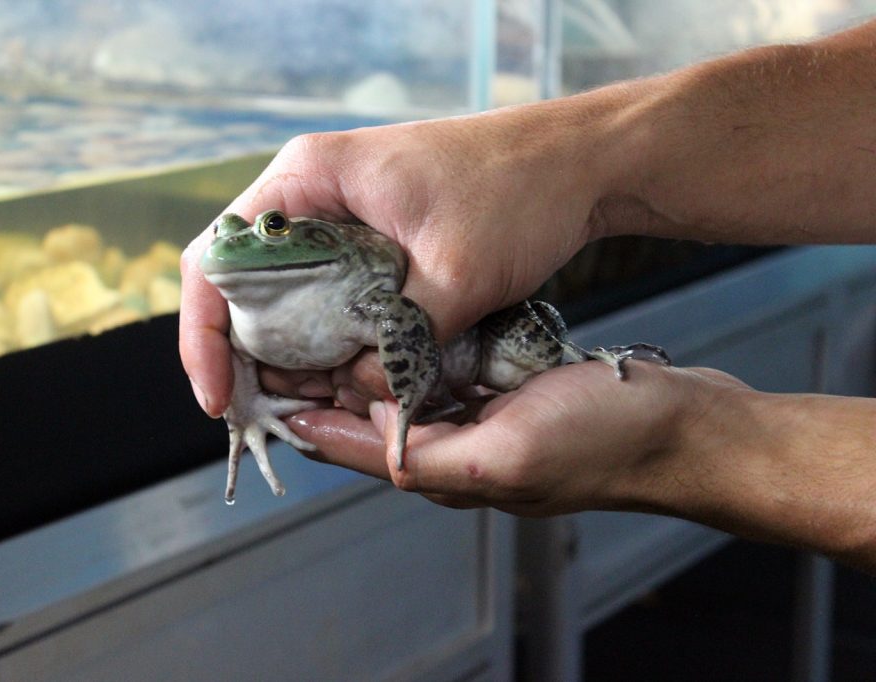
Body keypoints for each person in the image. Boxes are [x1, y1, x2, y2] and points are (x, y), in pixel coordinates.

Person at [180, 19, 876, 572]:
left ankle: (577, 354)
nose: (238, 243)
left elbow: (403, 320)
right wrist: (580, 161)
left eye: (270, 228)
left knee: (519, 350)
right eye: (237, 233)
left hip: (466, 345)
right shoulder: (248, 306)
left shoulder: (348, 271)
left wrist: (681, 440)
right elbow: (235, 363)